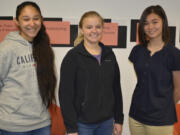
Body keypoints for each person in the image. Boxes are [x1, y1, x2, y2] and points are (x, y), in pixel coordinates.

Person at [59, 11, 124, 135]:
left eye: (98, 27)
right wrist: (71, 128)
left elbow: (116, 88)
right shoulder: (72, 57)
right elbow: (65, 95)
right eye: (89, 27)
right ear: (82, 30)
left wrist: (119, 119)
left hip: (106, 122)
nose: (94, 30)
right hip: (82, 124)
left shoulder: (109, 54)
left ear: (102, 29)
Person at [0, 1, 56, 135]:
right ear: (16, 22)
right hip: (13, 125)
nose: (32, 24)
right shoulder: (6, 48)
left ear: (41, 20)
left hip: (42, 123)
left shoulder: (45, 47)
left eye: (36, 18)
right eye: (26, 19)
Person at [128, 5, 180, 135]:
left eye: (155, 22)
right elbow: (143, 82)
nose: (150, 27)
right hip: (136, 117)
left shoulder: (173, 54)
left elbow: (178, 88)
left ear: (163, 22)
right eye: (146, 23)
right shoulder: (137, 51)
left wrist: (164, 109)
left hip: (161, 120)